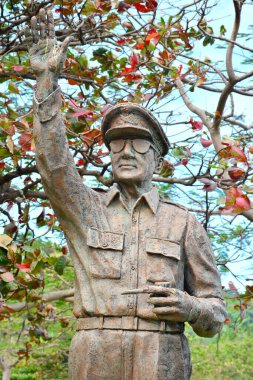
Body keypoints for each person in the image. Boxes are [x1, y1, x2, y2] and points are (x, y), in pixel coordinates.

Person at [25, 9, 227, 380]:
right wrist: (46, 81)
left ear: (158, 160)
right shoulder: (86, 208)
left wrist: (190, 307)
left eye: (138, 144)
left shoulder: (183, 222)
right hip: (95, 350)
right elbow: (53, 165)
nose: (126, 152)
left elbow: (215, 313)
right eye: (117, 145)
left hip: (162, 352)